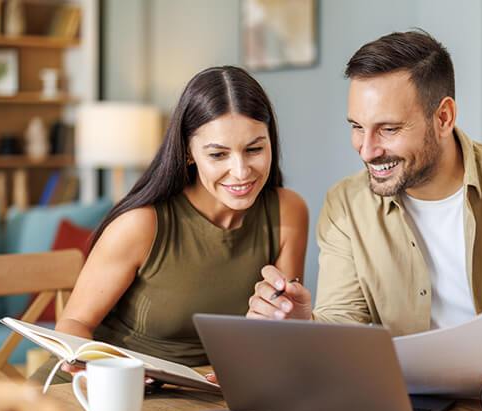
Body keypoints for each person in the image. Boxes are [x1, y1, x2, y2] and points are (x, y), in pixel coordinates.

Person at [246, 30, 482, 383]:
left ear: (443, 117)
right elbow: (344, 321)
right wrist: (304, 324)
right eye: (357, 126)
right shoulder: (345, 205)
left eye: (389, 129)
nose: (366, 149)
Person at [33, 65, 308, 384]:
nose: (241, 170)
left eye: (254, 149)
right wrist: (99, 367)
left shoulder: (288, 211)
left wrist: (243, 364)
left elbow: (280, 330)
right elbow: (74, 323)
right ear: (189, 153)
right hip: (104, 388)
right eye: (218, 155)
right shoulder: (141, 224)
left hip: (204, 394)